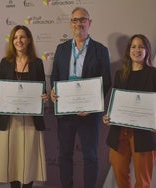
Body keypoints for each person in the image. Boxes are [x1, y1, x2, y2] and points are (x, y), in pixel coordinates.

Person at [50, 7, 112, 188]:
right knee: (64, 155)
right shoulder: (61, 49)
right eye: (75, 20)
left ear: (89, 23)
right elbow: (55, 76)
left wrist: (92, 106)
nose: (79, 23)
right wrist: (53, 90)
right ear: (71, 24)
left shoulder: (100, 50)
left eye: (83, 20)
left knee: (91, 157)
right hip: (65, 113)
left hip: (89, 114)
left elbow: (106, 82)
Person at [103, 34, 156, 188]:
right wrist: (109, 115)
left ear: (147, 51)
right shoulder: (120, 74)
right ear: (128, 51)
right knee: (119, 171)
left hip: (144, 132)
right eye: (133, 46)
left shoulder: (155, 74)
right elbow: (116, 101)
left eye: (141, 46)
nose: (137, 50)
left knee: (143, 179)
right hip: (120, 131)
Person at [0, 25, 47, 188]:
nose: (19, 41)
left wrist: (44, 97)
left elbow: (43, 89)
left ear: (29, 40)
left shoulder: (37, 63)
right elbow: (0, 90)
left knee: (28, 159)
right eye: (15, 37)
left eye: (22, 37)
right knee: (13, 159)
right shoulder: (5, 62)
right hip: (10, 120)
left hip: (31, 120)